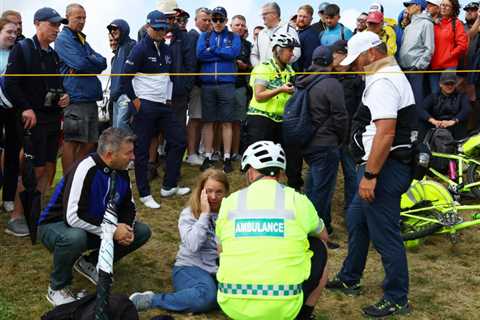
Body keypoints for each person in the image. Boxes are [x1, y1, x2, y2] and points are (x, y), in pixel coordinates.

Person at [327, 32, 415, 318]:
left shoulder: (383, 81)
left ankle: (396, 297)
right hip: (382, 165)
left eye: (358, 60)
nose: (355, 66)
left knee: (385, 233)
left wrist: (371, 174)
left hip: (384, 167)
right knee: (357, 221)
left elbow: (386, 132)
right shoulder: (388, 73)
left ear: (372, 53)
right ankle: (350, 277)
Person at [37, 127, 151, 306]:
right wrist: (113, 231)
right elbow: (73, 216)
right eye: (128, 153)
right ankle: (57, 287)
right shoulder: (85, 168)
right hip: (55, 225)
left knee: (141, 231)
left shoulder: (121, 169)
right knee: (74, 237)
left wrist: (125, 228)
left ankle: (90, 263)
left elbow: (129, 207)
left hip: (92, 226)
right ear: (109, 154)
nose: (133, 157)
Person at [216, 141, 328, 320]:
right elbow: (324, 235)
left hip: (232, 303)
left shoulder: (230, 201)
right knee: (319, 244)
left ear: (251, 172)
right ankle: (304, 315)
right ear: (281, 173)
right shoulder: (297, 200)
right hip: (285, 305)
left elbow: (220, 250)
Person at [129, 169, 229, 313]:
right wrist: (205, 215)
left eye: (219, 192)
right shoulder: (189, 214)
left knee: (235, 295)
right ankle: (152, 300)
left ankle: (201, 297)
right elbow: (193, 245)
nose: (213, 197)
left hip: (218, 270)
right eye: (209, 191)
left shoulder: (230, 214)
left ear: (226, 192)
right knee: (207, 297)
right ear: (201, 191)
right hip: (189, 268)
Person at [5, 8, 70, 227]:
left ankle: (36, 212)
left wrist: (64, 97)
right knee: (34, 169)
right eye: (52, 24)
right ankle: (16, 216)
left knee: (50, 167)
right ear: (37, 23)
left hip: (52, 118)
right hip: (33, 119)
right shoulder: (22, 49)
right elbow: (11, 83)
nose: (56, 29)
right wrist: (25, 108)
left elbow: (58, 85)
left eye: (58, 25)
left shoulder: (53, 55)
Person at [121, 10, 190, 209]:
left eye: (164, 28)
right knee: (142, 150)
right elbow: (125, 78)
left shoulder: (167, 49)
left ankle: (169, 186)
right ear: (148, 27)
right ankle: (144, 193)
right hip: (144, 105)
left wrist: (168, 100)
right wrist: (135, 102)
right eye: (157, 28)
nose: (161, 32)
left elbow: (168, 78)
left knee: (179, 140)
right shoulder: (139, 49)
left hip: (163, 105)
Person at [297, 46, 348, 249]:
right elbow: (341, 116)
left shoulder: (303, 80)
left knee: (311, 188)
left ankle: (313, 228)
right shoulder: (331, 84)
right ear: (329, 62)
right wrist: (341, 138)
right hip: (326, 143)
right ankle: (317, 238)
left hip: (306, 142)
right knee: (321, 193)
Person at [245, 33, 302, 190]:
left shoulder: (290, 70)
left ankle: (286, 189)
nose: (292, 53)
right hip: (260, 119)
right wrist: (281, 89)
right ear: (277, 50)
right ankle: (253, 190)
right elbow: (259, 95)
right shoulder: (263, 68)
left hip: (281, 120)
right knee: (259, 158)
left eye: (293, 50)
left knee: (285, 158)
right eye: (289, 50)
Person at [55, 3, 107, 174]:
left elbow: (103, 62)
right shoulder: (64, 39)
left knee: (91, 141)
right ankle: (68, 180)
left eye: (84, 17)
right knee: (72, 141)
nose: (82, 21)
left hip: (90, 97)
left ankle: (78, 175)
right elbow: (80, 63)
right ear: (67, 17)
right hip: (75, 97)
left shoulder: (81, 39)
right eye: (78, 17)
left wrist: (87, 61)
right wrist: (88, 61)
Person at [196, 6, 241, 173]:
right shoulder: (204, 36)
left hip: (227, 84)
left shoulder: (233, 36)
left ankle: (227, 157)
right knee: (208, 122)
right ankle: (208, 156)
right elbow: (200, 54)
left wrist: (213, 50)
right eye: (214, 19)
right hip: (207, 84)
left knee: (226, 122)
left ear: (226, 20)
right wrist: (223, 53)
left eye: (221, 19)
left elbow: (234, 53)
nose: (217, 22)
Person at [330, 39, 363, 232]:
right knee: (328, 176)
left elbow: (361, 108)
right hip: (331, 135)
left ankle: (351, 212)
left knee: (351, 174)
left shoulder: (357, 80)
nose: (340, 61)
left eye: (343, 57)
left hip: (350, 135)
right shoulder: (327, 78)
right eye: (336, 56)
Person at [0, 18, 23, 234]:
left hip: (14, 110)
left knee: (13, 155)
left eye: (15, 32)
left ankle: (8, 198)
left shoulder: (16, 53)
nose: (13, 35)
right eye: (9, 31)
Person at [185, 7, 211, 166]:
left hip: (202, 84)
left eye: (209, 20)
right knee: (194, 119)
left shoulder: (203, 36)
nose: (207, 23)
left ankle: (194, 152)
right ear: (195, 20)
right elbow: (192, 61)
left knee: (199, 118)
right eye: (204, 19)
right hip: (196, 84)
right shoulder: (193, 35)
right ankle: (191, 154)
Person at [399, 0, 434, 109]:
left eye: (410, 5)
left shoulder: (427, 24)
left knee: (416, 100)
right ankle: (408, 126)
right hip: (404, 69)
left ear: (418, 6)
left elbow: (429, 48)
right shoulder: (408, 27)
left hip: (416, 69)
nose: (407, 7)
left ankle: (418, 126)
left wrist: (418, 66)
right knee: (405, 101)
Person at [429, 0, 468, 95]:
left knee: (447, 95)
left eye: (447, 6)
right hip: (433, 65)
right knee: (434, 94)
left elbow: (462, 45)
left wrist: (450, 55)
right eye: (442, 5)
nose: (443, 7)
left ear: (453, 9)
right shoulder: (432, 23)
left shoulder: (457, 23)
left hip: (449, 66)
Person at [419, 72, 470, 139]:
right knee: (423, 121)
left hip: (455, 126)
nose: (449, 86)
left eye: (452, 84)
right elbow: (421, 109)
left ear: (455, 85)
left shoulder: (462, 96)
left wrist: (453, 121)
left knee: (462, 122)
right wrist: (433, 121)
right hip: (437, 126)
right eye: (446, 84)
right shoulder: (433, 96)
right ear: (440, 84)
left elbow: (466, 110)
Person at [250, 2, 301, 67]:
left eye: (265, 14)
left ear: (275, 14)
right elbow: (254, 54)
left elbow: (296, 52)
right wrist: (259, 67)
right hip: (262, 75)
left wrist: (278, 66)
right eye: (262, 15)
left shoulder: (288, 29)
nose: (263, 17)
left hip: (281, 75)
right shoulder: (261, 33)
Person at [107, 19, 136, 132]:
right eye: (110, 29)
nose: (112, 31)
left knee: (122, 128)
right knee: (116, 132)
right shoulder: (118, 50)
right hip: (115, 97)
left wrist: (133, 97)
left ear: (124, 29)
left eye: (115, 28)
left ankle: (131, 150)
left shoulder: (132, 45)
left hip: (126, 95)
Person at [230, 15, 252, 159]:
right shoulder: (223, 41)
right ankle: (219, 152)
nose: (240, 27)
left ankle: (236, 152)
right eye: (237, 25)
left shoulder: (248, 45)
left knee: (238, 121)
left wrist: (245, 66)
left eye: (242, 25)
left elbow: (252, 66)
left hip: (240, 87)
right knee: (222, 122)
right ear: (231, 26)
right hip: (224, 85)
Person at [294, 5, 321, 72]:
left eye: (305, 17)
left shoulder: (310, 35)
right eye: (300, 16)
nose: (301, 19)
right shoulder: (299, 32)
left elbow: (309, 61)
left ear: (311, 19)